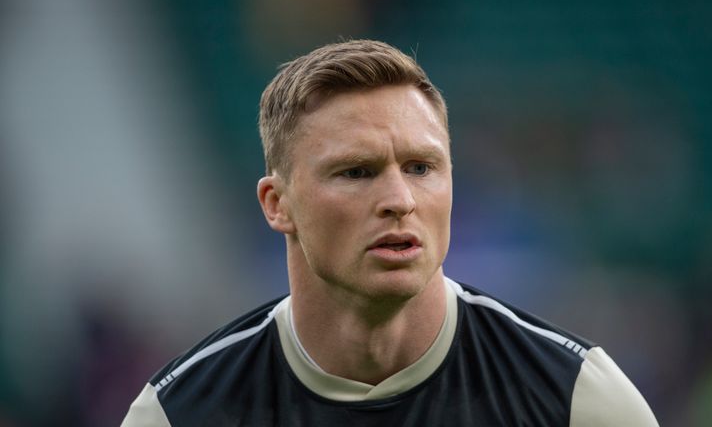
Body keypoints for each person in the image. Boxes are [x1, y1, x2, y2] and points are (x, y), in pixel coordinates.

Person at [121, 39, 658, 426]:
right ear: (277, 204)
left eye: (422, 168)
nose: (400, 201)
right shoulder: (177, 414)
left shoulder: (577, 401)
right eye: (357, 172)